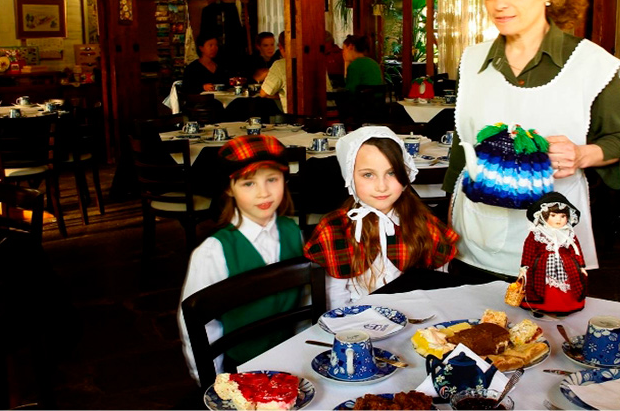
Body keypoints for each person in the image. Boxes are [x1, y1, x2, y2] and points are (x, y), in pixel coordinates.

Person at [443, 0, 620, 282]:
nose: (499, 3)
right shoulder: (471, 61)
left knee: (542, 332)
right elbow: (462, 147)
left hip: (551, 236)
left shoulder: (591, 65)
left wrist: (582, 154)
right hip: (473, 233)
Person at [177, 135, 304, 383]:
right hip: (242, 370)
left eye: (272, 179)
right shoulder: (213, 253)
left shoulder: (294, 234)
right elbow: (200, 326)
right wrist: (211, 381)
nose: (264, 192)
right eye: (249, 183)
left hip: (293, 359)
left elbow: (304, 302)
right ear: (229, 188)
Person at [304, 126, 458, 308]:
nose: (381, 186)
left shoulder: (423, 223)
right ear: (350, 177)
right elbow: (335, 298)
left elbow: (438, 286)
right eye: (368, 175)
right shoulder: (336, 229)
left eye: (391, 173)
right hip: (357, 323)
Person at [520, 192, 587, 317]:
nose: (558, 219)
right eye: (553, 215)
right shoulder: (537, 232)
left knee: (568, 284)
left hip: (566, 265)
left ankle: (563, 307)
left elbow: (576, 249)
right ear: (544, 216)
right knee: (539, 285)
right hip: (541, 265)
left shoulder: (568, 233)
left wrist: (581, 266)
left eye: (563, 216)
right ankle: (538, 307)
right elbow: (528, 250)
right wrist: (524, 267)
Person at [260, 31, 288, 112]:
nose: (270, 48)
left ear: (280, 47)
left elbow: (263, 93)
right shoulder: (318, 63)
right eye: (266, 45)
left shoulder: (280, 65)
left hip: (293, 118)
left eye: (272, 45)